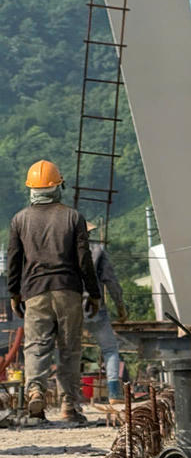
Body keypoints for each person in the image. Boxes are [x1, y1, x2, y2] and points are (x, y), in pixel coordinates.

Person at [6, 159, 101, 424]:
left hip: (35, 292)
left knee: (36, 347)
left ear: (31, 189)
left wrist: (14, 293)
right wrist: (94, 294)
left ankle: (36, 392)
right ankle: (69, 406)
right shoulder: (73, 217)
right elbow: (84, 260)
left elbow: (14, 260)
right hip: (69, 291)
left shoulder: (19, 220)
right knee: (69, 349)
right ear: (58, 186)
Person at [85, 223, 127, 402]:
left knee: (68, 352)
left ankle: (68, 399)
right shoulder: (97, 250)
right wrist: (120, 307)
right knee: (110, 349)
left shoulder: (62, 250)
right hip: (95, 308)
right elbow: (111, 282)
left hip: (69, 310)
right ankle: (114, 393)